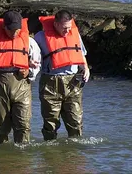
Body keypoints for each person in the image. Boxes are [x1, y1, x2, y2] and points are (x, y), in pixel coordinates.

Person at [0, 11, 41, 144]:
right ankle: (2, 159)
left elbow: (37, 63)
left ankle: (23, 157)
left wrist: (29, 72)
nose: (14, 33)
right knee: (1, 127)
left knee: (23, 125)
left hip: (22, 85)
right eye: (11, 30)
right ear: (4, 27)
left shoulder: (30, 42)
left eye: (17, 30)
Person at [34, 10, 91, 140]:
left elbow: (80, 54)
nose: (67, 31)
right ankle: (50, 153)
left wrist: (86, 68)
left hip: (73, 83)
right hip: (50, 83)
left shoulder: (74, 34)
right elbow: (32, 56)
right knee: (50, 123)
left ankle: (75, 155)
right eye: (65, 28)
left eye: (70, 27)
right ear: (56, 24)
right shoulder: (40, 37)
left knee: (75, 122)